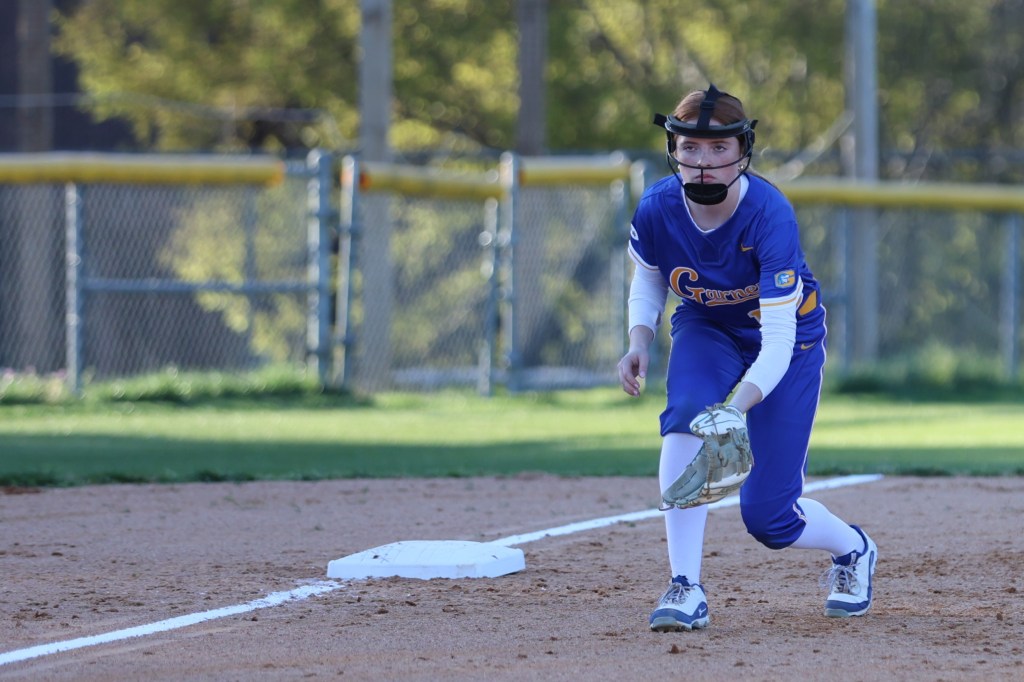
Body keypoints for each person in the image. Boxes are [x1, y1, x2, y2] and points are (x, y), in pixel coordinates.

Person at [617, 84, 877, 632]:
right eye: (690, 147)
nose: (703, 161)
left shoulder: (769, 214)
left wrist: (735, 409)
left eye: (718, 148)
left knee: (769, 519)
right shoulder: (658, 207)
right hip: (707, 326)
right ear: (673, 150)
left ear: (743, 151)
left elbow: (778, 339)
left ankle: (853, 549)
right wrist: (639, 340)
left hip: (788, 342)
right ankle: (685, 586)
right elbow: (649, 278)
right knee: (687, 412)